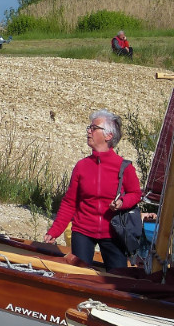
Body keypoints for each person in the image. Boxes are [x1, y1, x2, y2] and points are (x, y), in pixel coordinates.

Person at [43, 110, 141, 270]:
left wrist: (122, 202)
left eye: (94, 128)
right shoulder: (81, 166)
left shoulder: (125, 167)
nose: (88, 130)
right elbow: (69, 203)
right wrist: (55, 231)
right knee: (77, 276)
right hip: (83, 231)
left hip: (113, 232)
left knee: (118, 279)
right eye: (89, 127)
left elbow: (136, 194)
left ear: (108, 136)